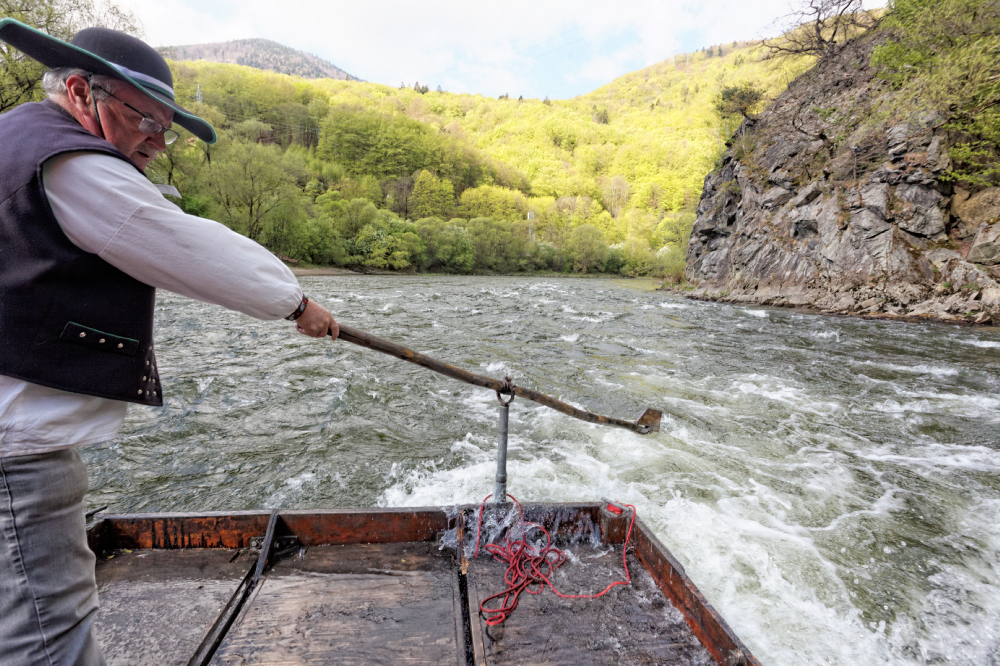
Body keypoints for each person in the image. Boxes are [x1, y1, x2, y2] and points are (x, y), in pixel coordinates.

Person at [0, 19, 339, 665]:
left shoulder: (11, 140)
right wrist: (297, 304)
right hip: (14, 449)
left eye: (166, 127)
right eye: (145, 120)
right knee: (48, 637)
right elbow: (186, 245)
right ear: (80, 91)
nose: (158, 141)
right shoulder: (72, 163)